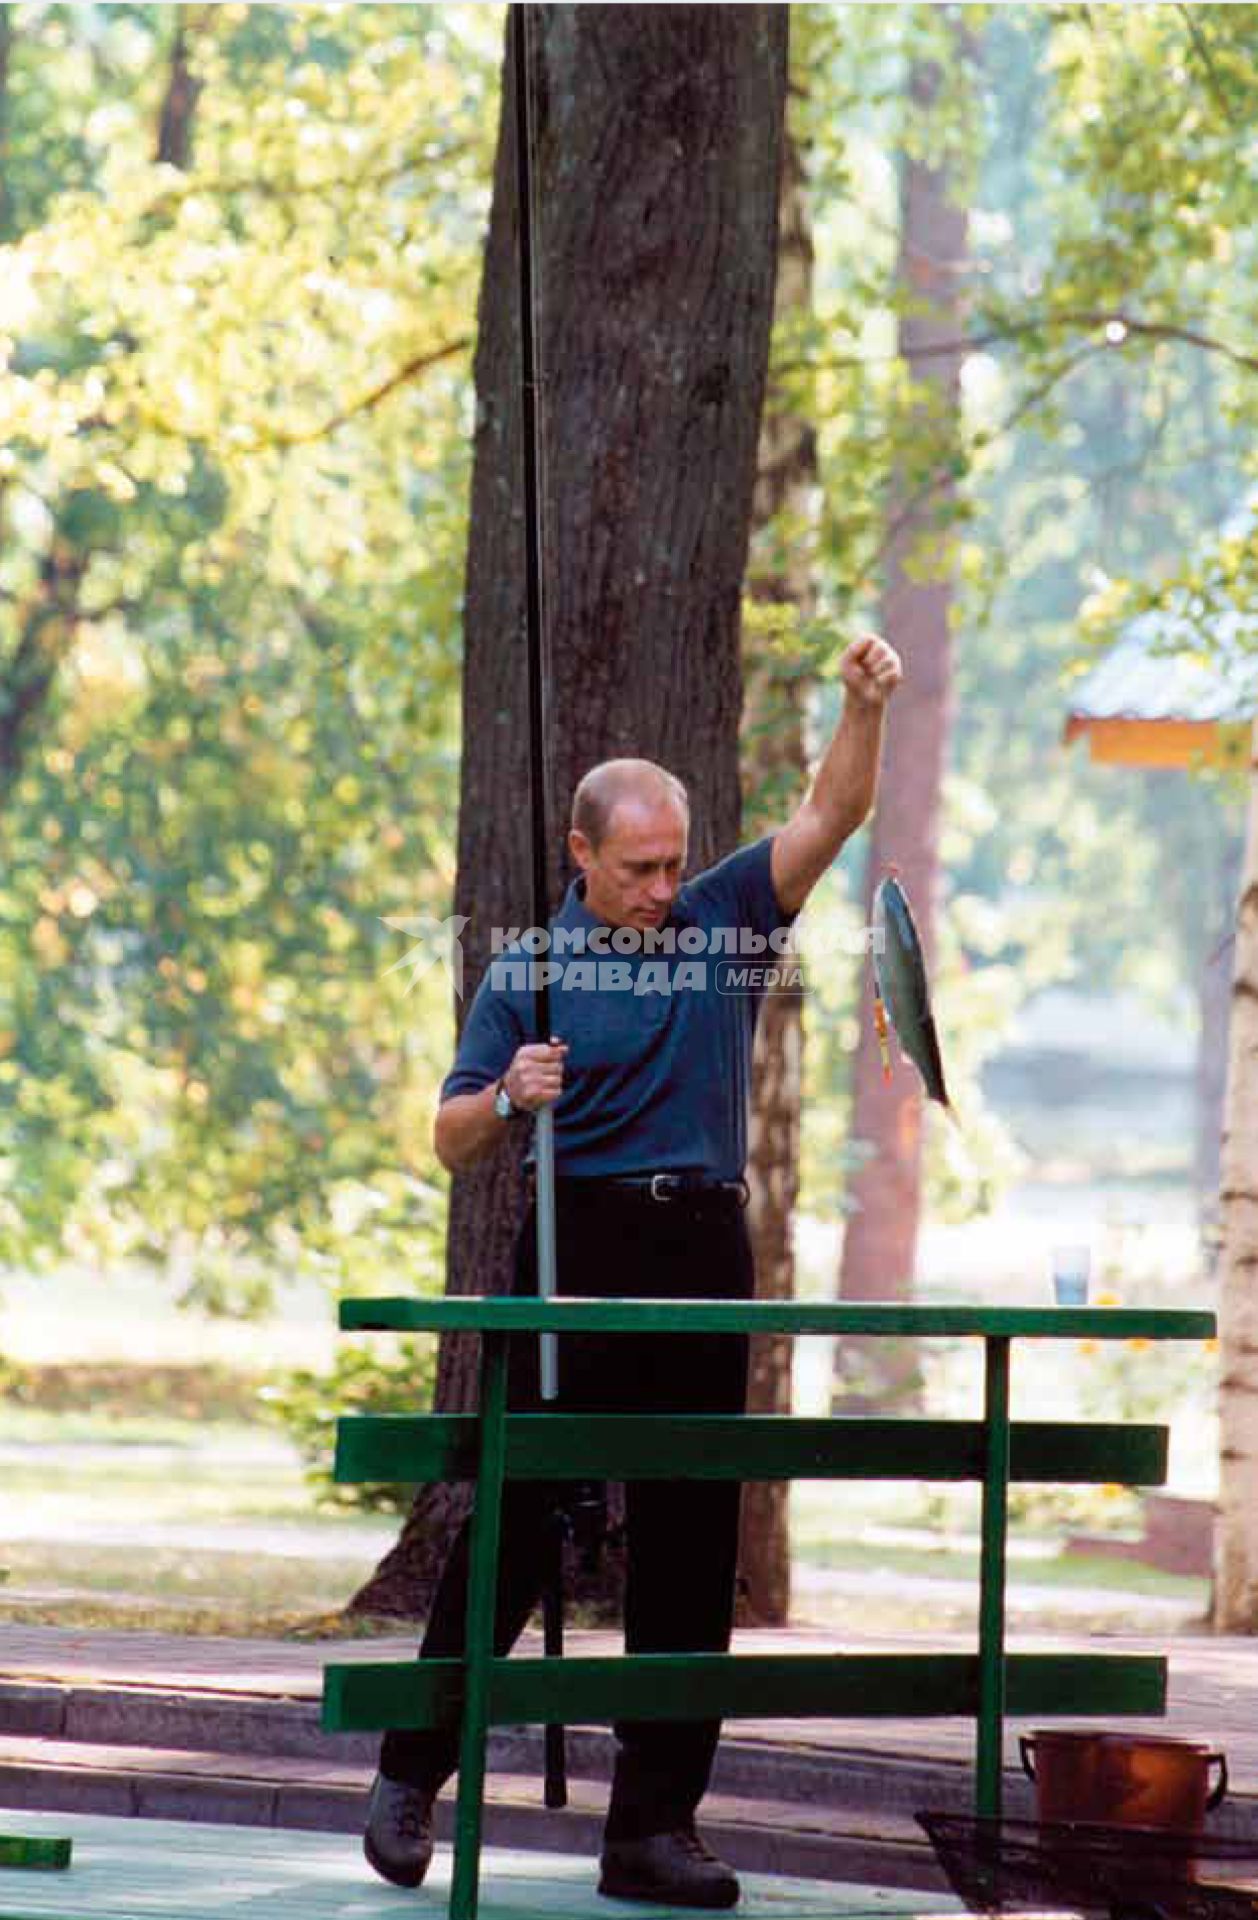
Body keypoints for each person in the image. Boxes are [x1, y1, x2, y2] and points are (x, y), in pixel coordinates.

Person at [364, 634, 903, 1908]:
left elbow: (835, 808)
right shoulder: (532, 968)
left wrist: (863, 703)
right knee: (515, 1523)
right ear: (582, 856)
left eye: (673, 862)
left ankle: (651, 1830)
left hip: (705, 1251)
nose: (664, 887)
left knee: (687, 1537)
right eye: (639, 867)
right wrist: (507, 1094)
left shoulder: (724, 918)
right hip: (573, 1248)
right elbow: (448, 1138)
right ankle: (408, 1772)